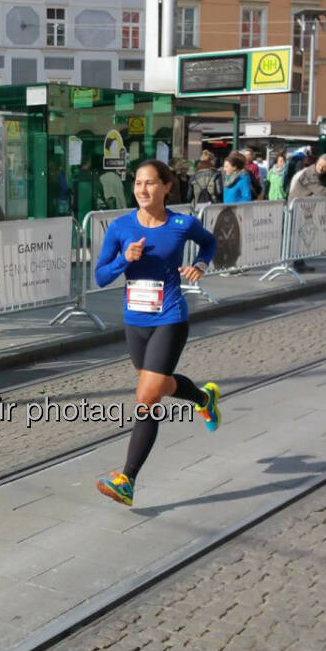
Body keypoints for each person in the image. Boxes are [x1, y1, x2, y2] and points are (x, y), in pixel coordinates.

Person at [92, 159, 219, 507]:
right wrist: (124, 260)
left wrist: (200, 266)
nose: (142, 190)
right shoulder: (120, 228)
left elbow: (209, 243)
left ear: (166, 187)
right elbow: (100, 277)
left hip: (170, 316)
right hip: (135, 320)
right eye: (137, 183)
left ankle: (126, 480)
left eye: (150, 183)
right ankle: (203, 399)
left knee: (146, 398)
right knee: (158, 385)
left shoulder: (181, 224)